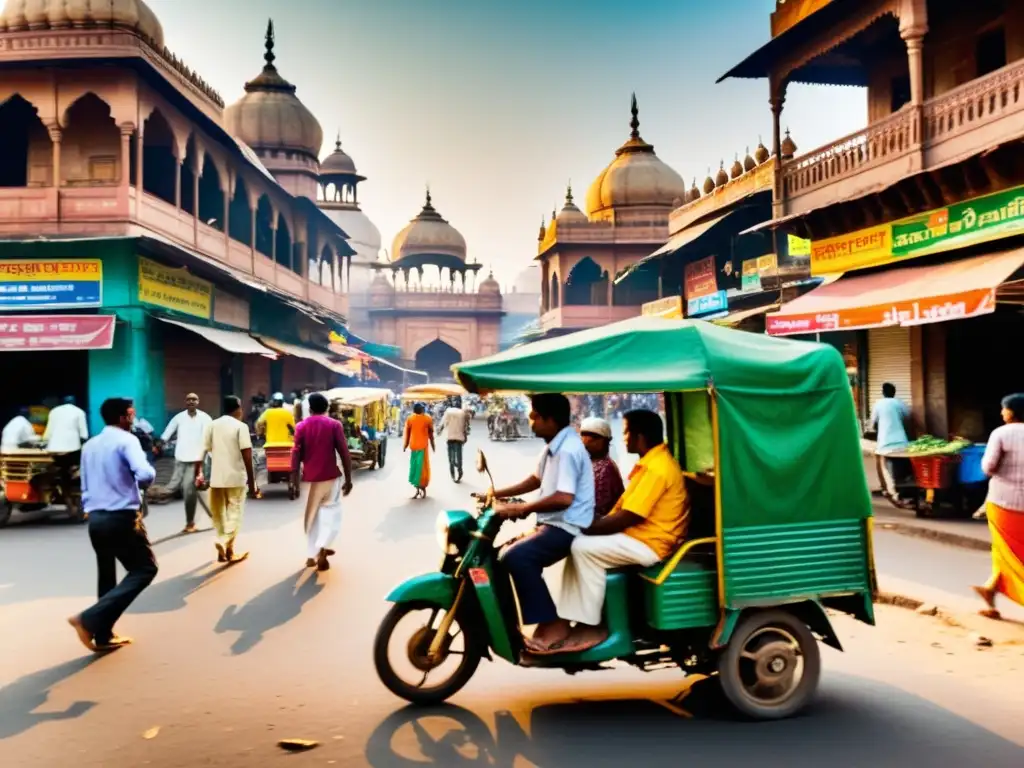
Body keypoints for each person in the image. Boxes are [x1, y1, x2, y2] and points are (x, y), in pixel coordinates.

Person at [553, 409, 688, 653]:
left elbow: (626, 517)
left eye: (626, 432)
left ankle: (590, 623)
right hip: (637, 535)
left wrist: (590, 525)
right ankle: (574, 618)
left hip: (650, 543)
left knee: (581, 547)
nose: (623, 438)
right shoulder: (650, 463)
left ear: (640, 436)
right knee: (579, 544)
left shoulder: (657, 469)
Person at [488, 394, 595, 653]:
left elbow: (563, 498)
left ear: (550, 419)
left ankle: (554, 624)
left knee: (517, 557)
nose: (530, 420)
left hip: (568, 527)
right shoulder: (554, 445)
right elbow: (536, 480)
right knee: (502, 554)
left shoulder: (568, 450)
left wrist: (523, 508)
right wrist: (496, 494)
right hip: (555, 522)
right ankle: (539, 620)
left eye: (535, 416)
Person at [67, 398, 157, 652]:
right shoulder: (127, 440)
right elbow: (145, 474)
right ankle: (87, 619)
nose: (133, 418)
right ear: (124, 417)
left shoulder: (91, 445)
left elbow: (84, 483)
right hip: (121, 517)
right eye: (131, 414)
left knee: (106, 575)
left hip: (95, 517)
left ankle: (103, 634)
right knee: (144, 569)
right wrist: (137, 482)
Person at [973, 393, 1024, 620]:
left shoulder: (1001, 434)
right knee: (1007, 553)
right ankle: (990, 591)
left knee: (1007, 551)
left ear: (1011, 412)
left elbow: (988, 467)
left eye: (1004, 409)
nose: (1002, 413)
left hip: (1004, 503)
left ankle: (993, 591)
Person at [291, 393, 354, 571]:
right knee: (330, 513)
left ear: (309, 409)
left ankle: (312, 554)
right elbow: (344, 452)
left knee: (312, 516)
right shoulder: (334, 425)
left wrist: (293, 479)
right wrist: (348, 479)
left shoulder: (301, 426)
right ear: (327, 408)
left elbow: (296, 453)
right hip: (331, 477)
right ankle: (323, 547)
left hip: (311, 479)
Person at [197, 396, 257, 565]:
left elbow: (206, 449)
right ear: (238, 408)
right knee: (234, 513)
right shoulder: (241, 427)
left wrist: (200, 471)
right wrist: (252, 483)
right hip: (236, 478)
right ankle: (226, 545)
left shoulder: (212, 425)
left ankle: (224, 548)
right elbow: (247, 454)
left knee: (219, 514)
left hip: (216, 478)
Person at [160, 393, 213, 534]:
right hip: (180, 459)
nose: (191, 401)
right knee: (193, 490)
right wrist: (159, 443)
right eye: (189, 399)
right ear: (185, 402)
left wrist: (212, 456)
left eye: (194, 399)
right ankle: (215, 517)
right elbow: (167, 433)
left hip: (197, 460)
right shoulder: (179, 417)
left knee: (189, 489)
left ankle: (190, 523)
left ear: (198, 401)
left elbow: (210, 437)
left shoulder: (205, 418)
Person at [870, 383, 910, 504]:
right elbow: (907, 418)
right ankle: (902, 489)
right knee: (901, 467)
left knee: (886, 469)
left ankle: (891, 491)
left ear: (883, 392)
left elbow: (872, 423)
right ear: (894, 392)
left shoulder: (878, 404)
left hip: (885, 442)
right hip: (902, 441)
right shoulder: (900, 403)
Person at [580, 417, 624, 518]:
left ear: (604, 441)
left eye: (592, 438)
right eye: (583, 435)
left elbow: (599, 510)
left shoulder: (605, 469)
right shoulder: (588, 463)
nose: (585, 441)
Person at [43, 395, 89, 492]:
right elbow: (84, 434)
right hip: (71, 450)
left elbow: (48, 433)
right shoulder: (79, 412)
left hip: (53, 450)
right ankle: (72, 488)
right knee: (77, 466)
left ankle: (61, 486)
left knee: (61, 469)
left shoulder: (54, 411)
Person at [403, 403, 435, 499]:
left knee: (415, 469)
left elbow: (407, 434)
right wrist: (433, 445)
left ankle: (418, 490)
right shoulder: (427, 418)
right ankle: (422, 489)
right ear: (422, 410)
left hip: (414, 447)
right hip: (422, 447)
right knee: (422, 470)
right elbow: (431, 434)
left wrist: (405, 445)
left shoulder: (410, 419)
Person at [438, 397, 470, 482]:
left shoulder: (448, 411)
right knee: (459, 457)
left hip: (450, 438)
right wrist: (465, 435)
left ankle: (453, 475)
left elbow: (442, 423)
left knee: (451, 458)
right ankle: (460, 471)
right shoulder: (464, 413)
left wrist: (439, 431)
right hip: (459, 438)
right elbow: (466, 427)